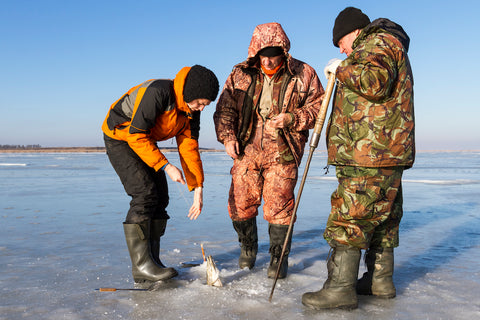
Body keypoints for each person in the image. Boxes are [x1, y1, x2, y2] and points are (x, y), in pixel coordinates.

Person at [302, 7, 415, 310]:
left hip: (368, 154)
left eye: (340, 41)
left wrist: (341, 69)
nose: (340, 48)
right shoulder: (383, 44)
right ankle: (379, 281)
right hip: (382, 152)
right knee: (382, 219)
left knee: (349, 218)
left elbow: (375, 82)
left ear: (354, 32)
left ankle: (340, 288)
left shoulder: (376, 42)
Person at [214, 22, 324, 279]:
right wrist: (228, 137)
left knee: (279, 205)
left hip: (283, 150)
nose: (270, 60)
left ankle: (278, 257)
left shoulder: (304, 73)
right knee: (240, 202)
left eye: (275, 54)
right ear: (255, 53)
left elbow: (319, 109)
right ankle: (248, 248)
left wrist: (292, 119)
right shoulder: (239, 73)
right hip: (246, 148)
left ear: (284, 51)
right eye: (264, 54)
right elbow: (224, 109)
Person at [102, 65, 219, 283]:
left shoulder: (190, 111)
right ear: (191, 92)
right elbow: (136, 135)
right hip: (121, 136)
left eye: (206, 105)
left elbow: (189, 147)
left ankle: (152, 261)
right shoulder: (158, 93)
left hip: (144, 140)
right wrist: (166, 166)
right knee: (144, 194)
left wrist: (198, 187)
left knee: (161, 198)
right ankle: (141, 267)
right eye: (201, 103)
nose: (202, 108)